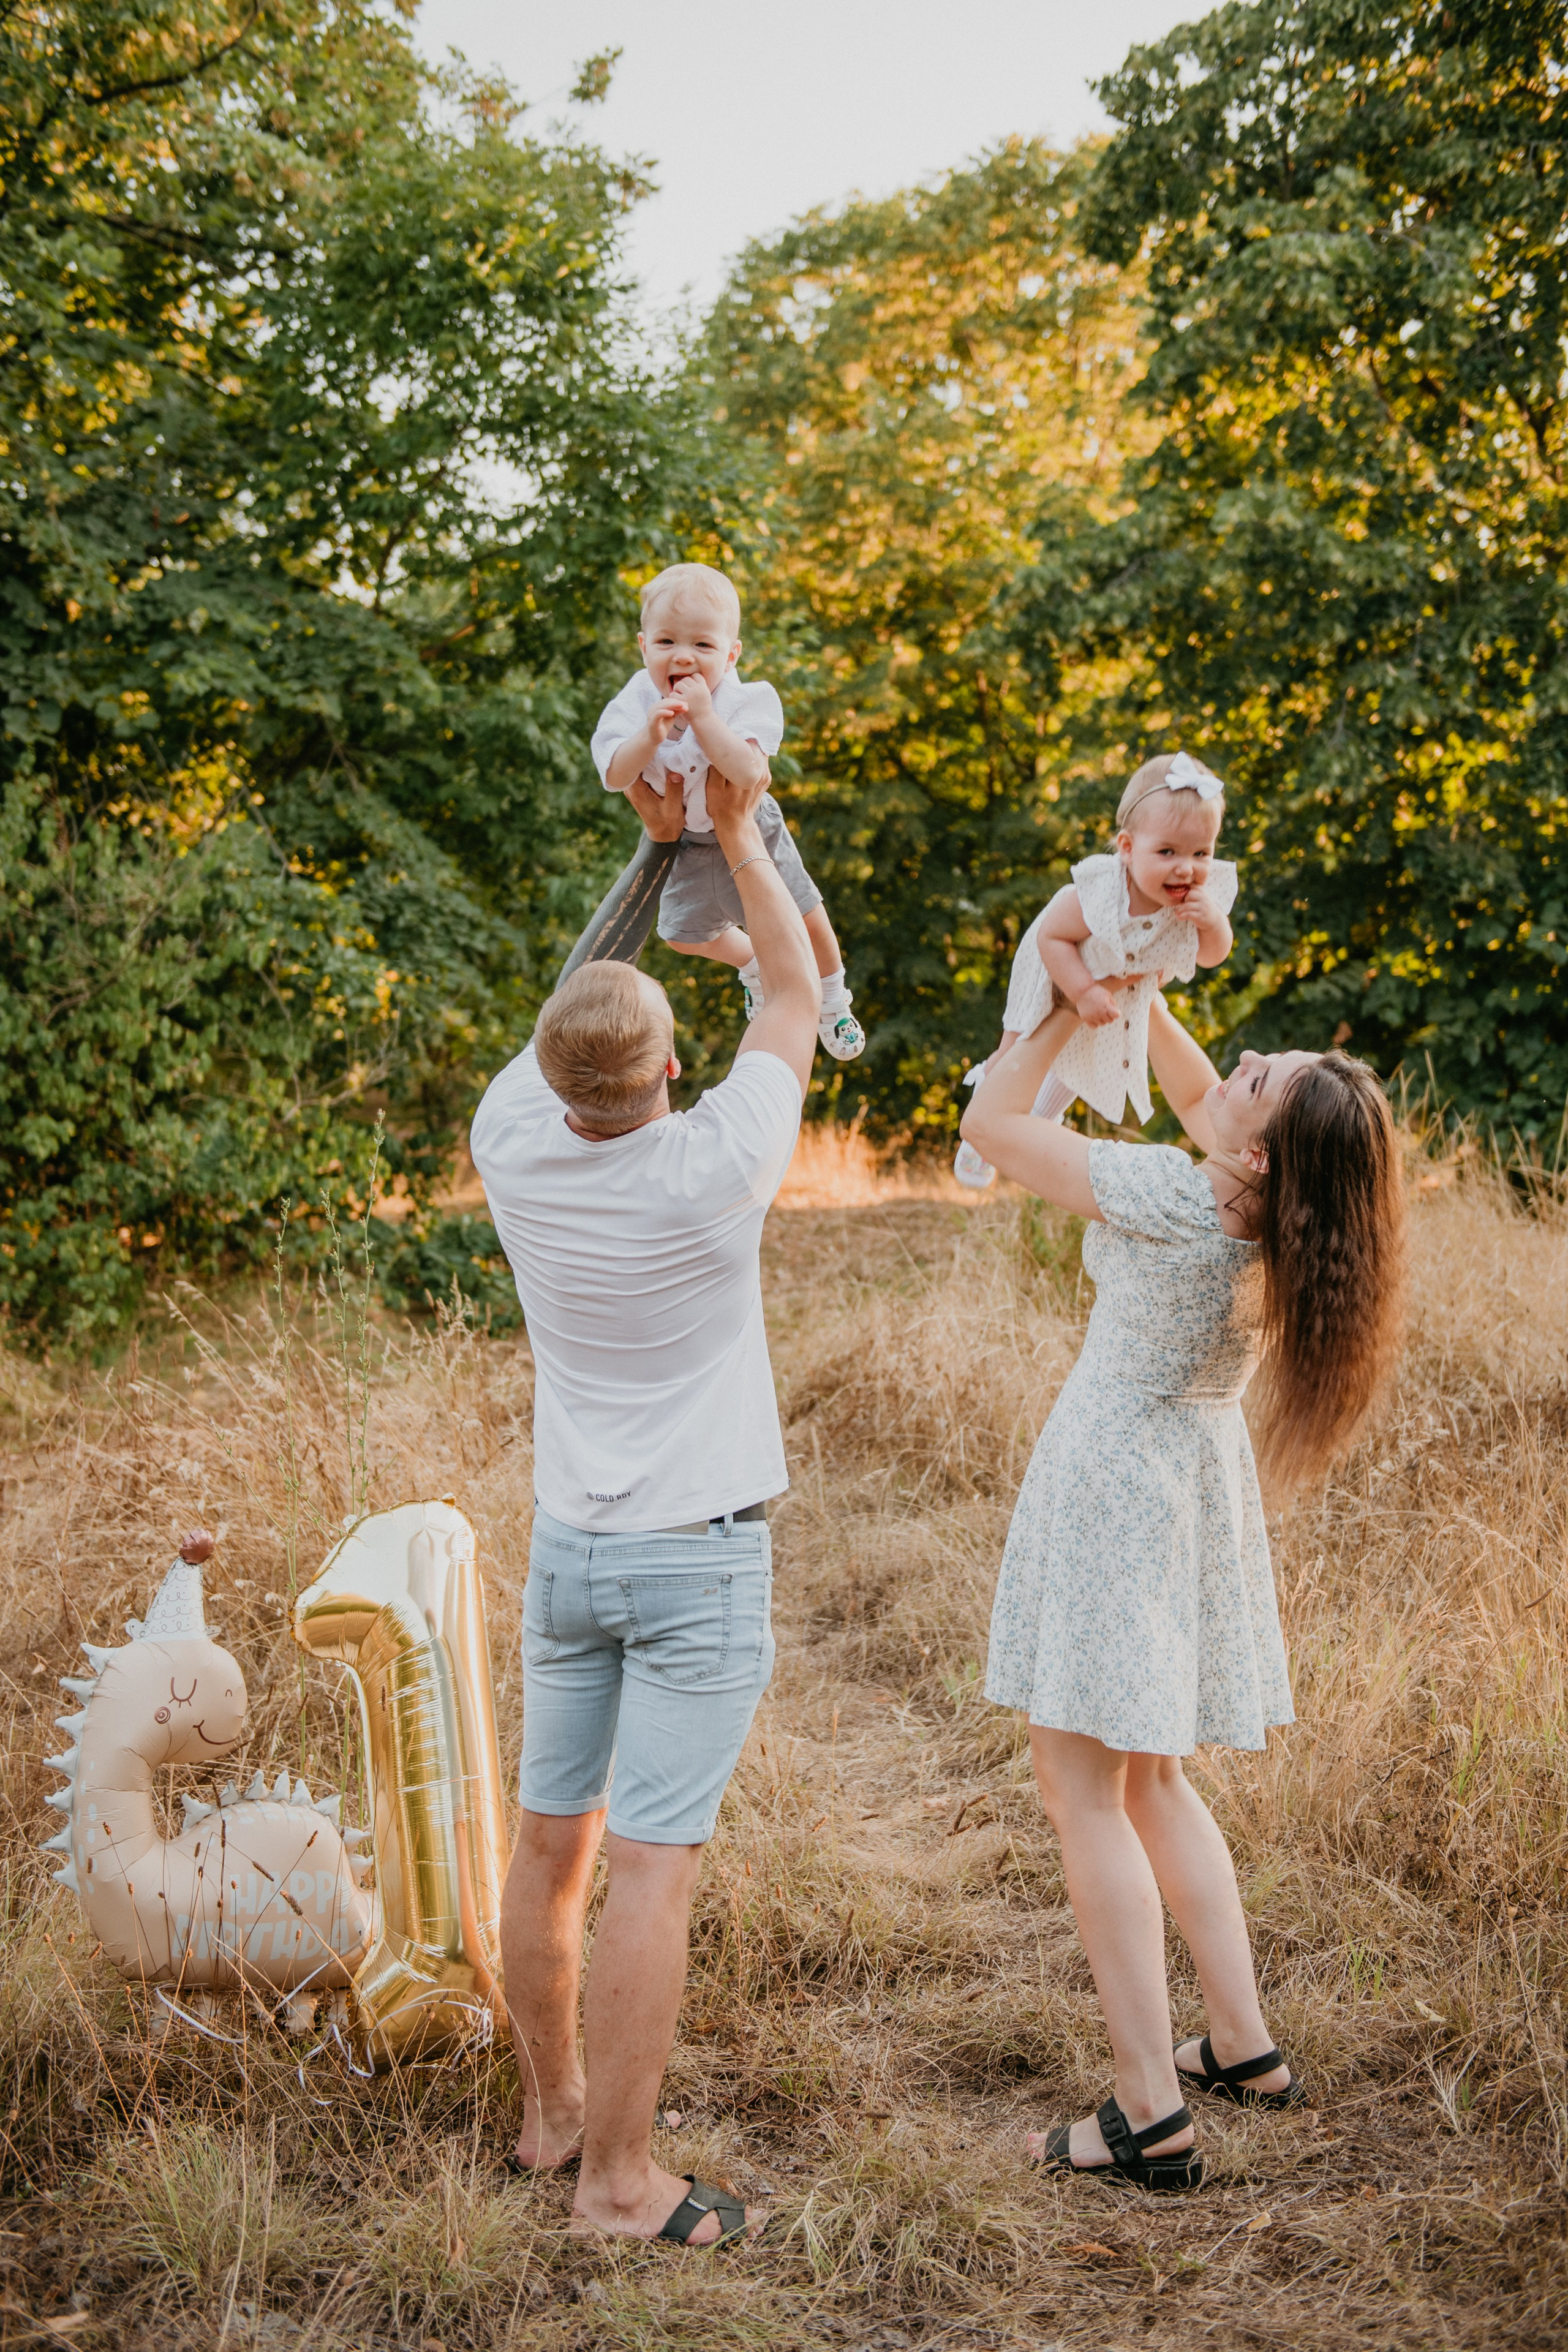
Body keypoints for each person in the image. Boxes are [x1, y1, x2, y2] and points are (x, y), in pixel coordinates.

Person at [960, 994, 1406, 2191]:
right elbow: (1214, 1103)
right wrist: (1142, 997)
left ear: (1255, 1153)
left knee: (1082, 1791)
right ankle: (1240, 2043)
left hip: (1116, 1485)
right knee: (1151, 1777)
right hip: (1183, 1486)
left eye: (1262, 1075)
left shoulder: (1177, 1192)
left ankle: (1145, 2105)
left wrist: (1059, 1008)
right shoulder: (1278, 1217)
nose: (1243, 1059)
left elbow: (993, 1124)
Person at [469, 758, 821, 2247]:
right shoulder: (714, 1166)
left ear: (554, 1079)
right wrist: (729, 831)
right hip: (696, 1563)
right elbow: (794, 993)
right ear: (670, 1069)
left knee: (551, 1848)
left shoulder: (510, 1140)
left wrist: (646, 844)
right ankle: (620, 2180)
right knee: (648, 1873)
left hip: (570, 1557)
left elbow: (575, 997)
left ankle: (552, 2111)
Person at [592, 559, 865, 1060]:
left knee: (808, 917)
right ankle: (751, 964)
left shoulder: (748, 700)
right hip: (685, 844)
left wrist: (703, 717)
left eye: (703, 645)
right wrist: (647, 736)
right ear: (643, 646)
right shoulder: (636, 702)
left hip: (751, 829)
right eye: (667, 642)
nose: (685, 657)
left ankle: (833, 998)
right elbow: (613, 775)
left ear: (732, 653)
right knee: (680, 934)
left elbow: (746, 772)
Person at [954, 752, 1236, 1189]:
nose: (1186, 867)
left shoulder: (1197, 897)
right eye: (1168, 851)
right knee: (1023, 1045)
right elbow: (1051, 937)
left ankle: (1029, 1127)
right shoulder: (1101, 891)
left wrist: (1214, 922)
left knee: (1083, 1064)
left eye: (1202, 852)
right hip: (1058, 969)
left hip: (1117, 988)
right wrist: (1082, 991)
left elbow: (1211, 957)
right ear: (1127, 848)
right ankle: (987, 1103)